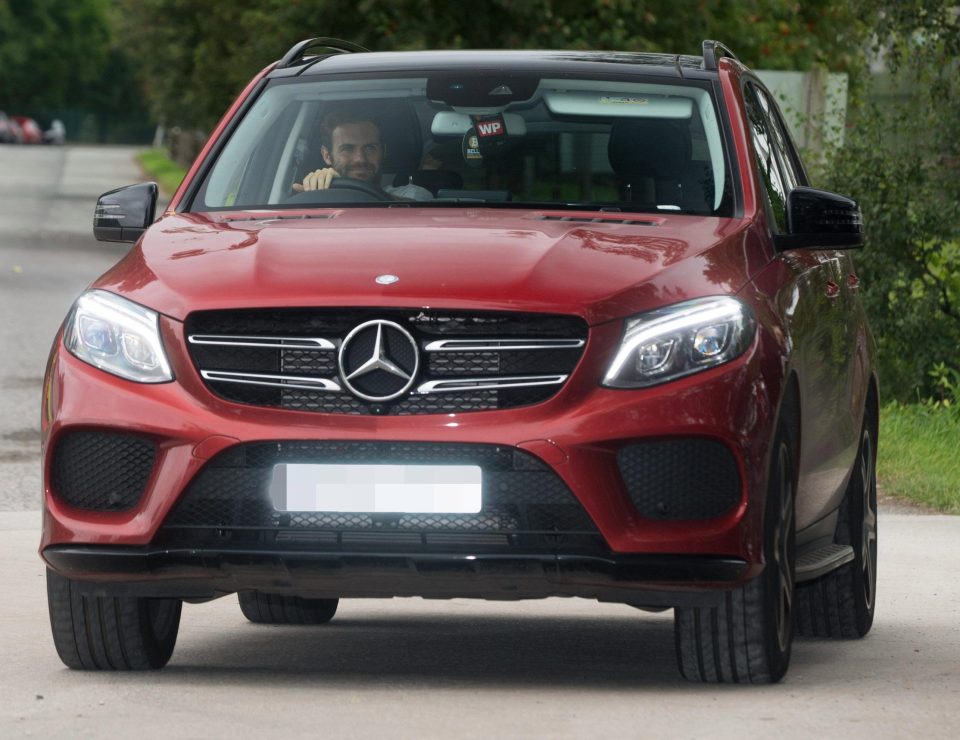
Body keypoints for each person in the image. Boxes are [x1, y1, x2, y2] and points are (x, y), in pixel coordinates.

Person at [297, 108, 432, 201]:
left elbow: (418, 213)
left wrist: (345, 188)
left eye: (369, 148)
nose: (360, 158)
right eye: (347, 149)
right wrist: (318, 190)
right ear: (327, 155)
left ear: (383, 151)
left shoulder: (412, 193)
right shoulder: (316, 198)